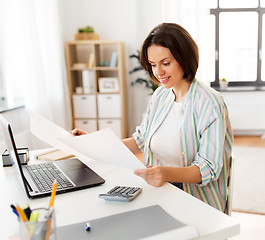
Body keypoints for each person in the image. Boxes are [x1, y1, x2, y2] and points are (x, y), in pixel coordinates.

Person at [72, 23, 233, 213]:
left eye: (166, 63)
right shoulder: (160, 96)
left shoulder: (210, 103)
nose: (158, 73)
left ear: (185, 58)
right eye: (153, 65)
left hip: (196, 200)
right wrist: (95, 143)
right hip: (161, 190)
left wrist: (165, 173)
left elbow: (208, 169)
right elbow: (140, 139)